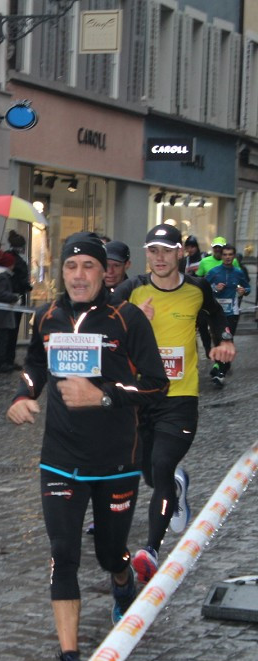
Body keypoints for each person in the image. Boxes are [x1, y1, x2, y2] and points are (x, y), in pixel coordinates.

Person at [6, 232, 168, 661]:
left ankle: (122, 577)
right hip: (60, 457)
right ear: (62, 271)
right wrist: (23, 393)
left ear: (104, 272)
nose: (79, 276)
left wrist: (104, 396)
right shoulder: (47, 316)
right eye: (71, 266)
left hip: (116, 459)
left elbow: (156, 385)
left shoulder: (127, 318)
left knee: (108, 552)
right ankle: (69, 658)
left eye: (88, 267)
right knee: (64, 554)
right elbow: (35, 364)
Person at [112, 224, 235, 587]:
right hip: (138, 397)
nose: (160, 258)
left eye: (166, 250)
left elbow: (216, 316)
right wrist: (134, 322)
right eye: (153, 250)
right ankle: (176, 487)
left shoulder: (196, 289)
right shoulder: (131, 290)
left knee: (163, 464)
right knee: (149, 472)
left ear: (180, 252)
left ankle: (150, 551)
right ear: (146, 253)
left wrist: (222, 341)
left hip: (180, 398)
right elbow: (105, 328)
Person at [203, 244, 249, 381]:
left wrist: (244, 291)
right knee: (217, 339)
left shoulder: (238, 272)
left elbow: (247, 287)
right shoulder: (214, 271)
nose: (228, 257)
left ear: (234, 256)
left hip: (232, 312)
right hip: (216, 313)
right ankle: (221, 366)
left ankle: (220, 370)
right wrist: (215, 288)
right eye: (225, 255)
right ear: (221, 256)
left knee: (227, 338)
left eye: (230, 255)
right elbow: (203, 288)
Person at [4, 230, 33, 370]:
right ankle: (7, 360)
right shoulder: (18, 261)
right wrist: (28, 286)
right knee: (12, 332)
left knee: (7, 332)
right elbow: (21, 281)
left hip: (8, 298)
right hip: (15, 297)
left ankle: (7, 359)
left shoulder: (6, 257)